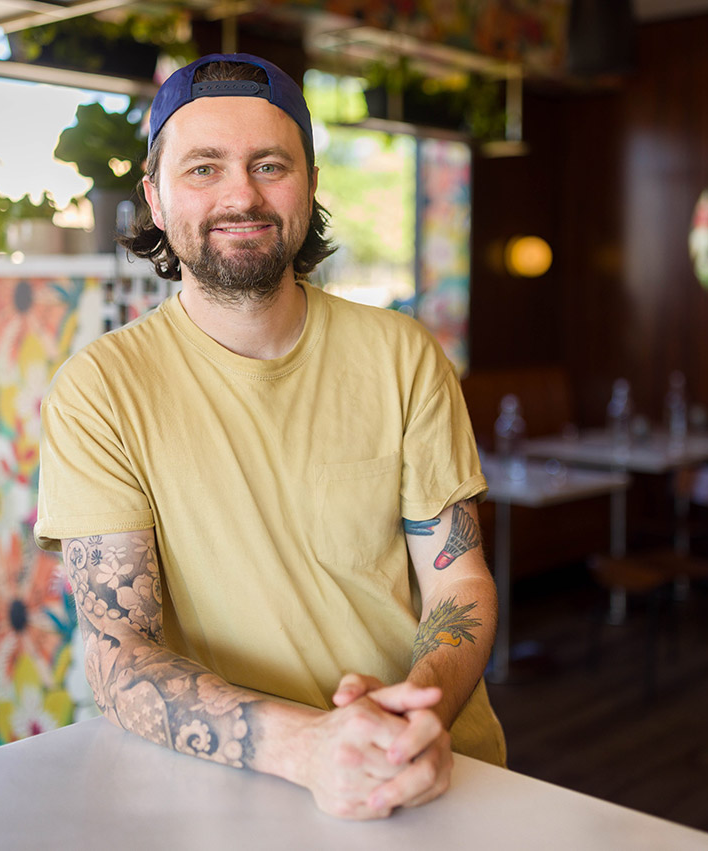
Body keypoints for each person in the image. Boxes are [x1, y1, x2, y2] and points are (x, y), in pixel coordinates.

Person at [34, 53, 505, 820]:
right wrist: (310, 745)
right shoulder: (100, 392)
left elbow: (458, 581)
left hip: (436, 767)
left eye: (269, 165)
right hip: (238, 787)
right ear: (155, 198)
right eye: (204, 168)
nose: (241, 195)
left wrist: (407, 715)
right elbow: (121, 654)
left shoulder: (404, 354)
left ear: (310, 186)